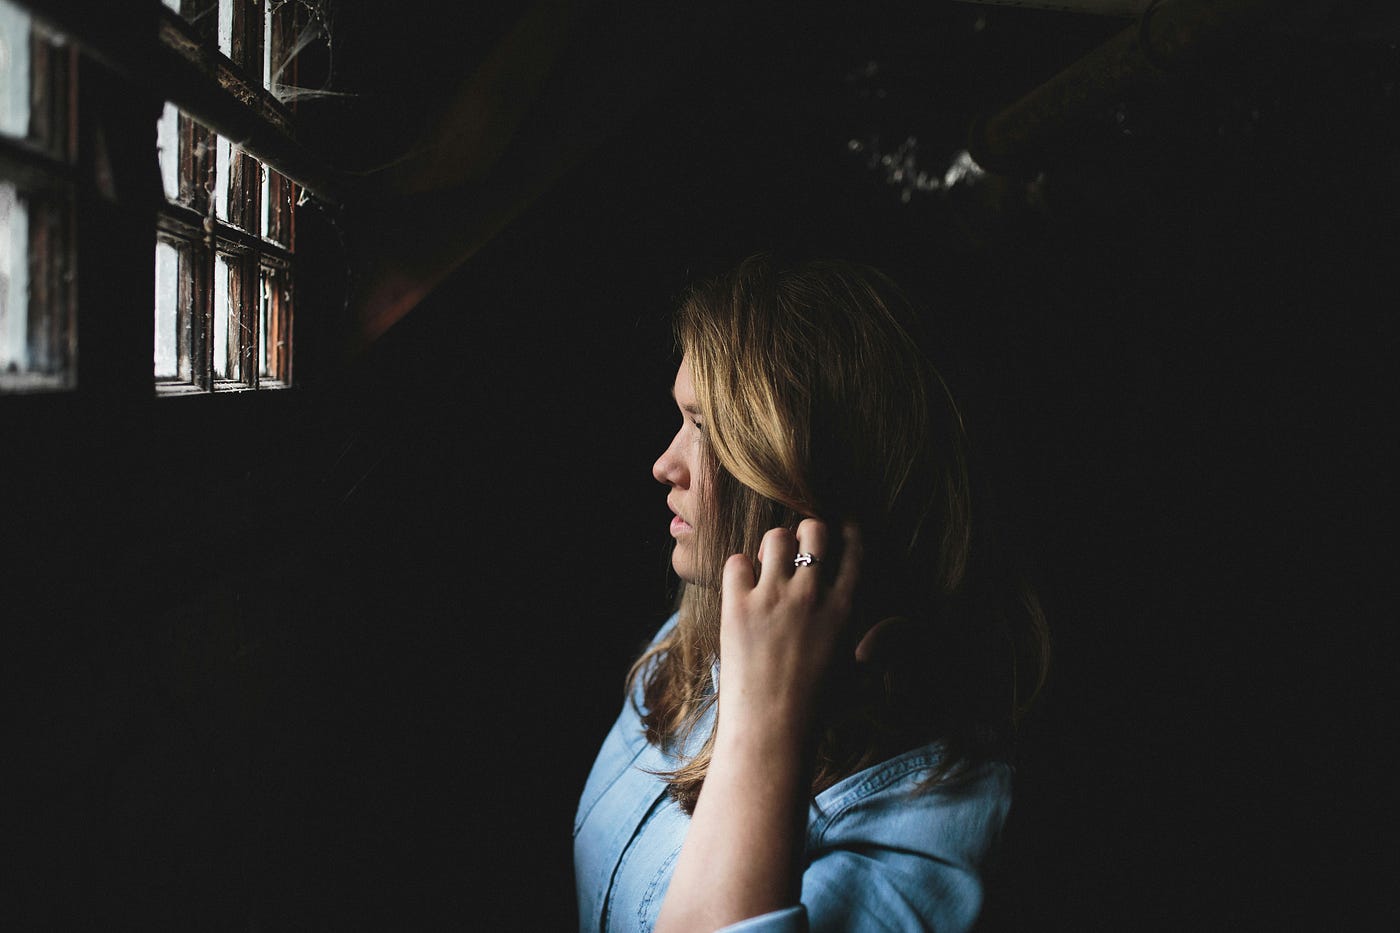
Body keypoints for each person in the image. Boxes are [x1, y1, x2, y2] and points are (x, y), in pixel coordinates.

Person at [574, 256, 1049, 932]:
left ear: (807, 488)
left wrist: (767, 723)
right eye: (681, 418)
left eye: (705, 430)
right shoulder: (705, 625)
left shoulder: (930, 837)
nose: (664, 464)